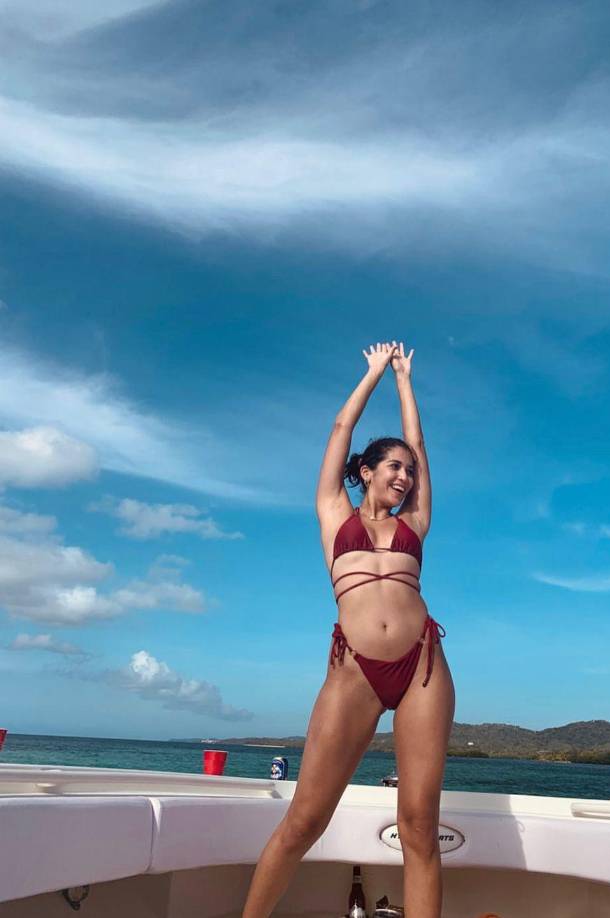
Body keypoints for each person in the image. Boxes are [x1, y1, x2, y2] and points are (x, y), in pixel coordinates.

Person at [242, 341, 455, 918]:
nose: (406, 477)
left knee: (419, 824)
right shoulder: (334, 512)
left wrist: (408, 381)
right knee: (306, 818)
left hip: (423, 668)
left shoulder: (417, 521)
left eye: (410, 471)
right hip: (355, 669)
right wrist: (373, 374)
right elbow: (342, 424)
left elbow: (422, 445)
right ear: (365, 472)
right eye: (394, 467)